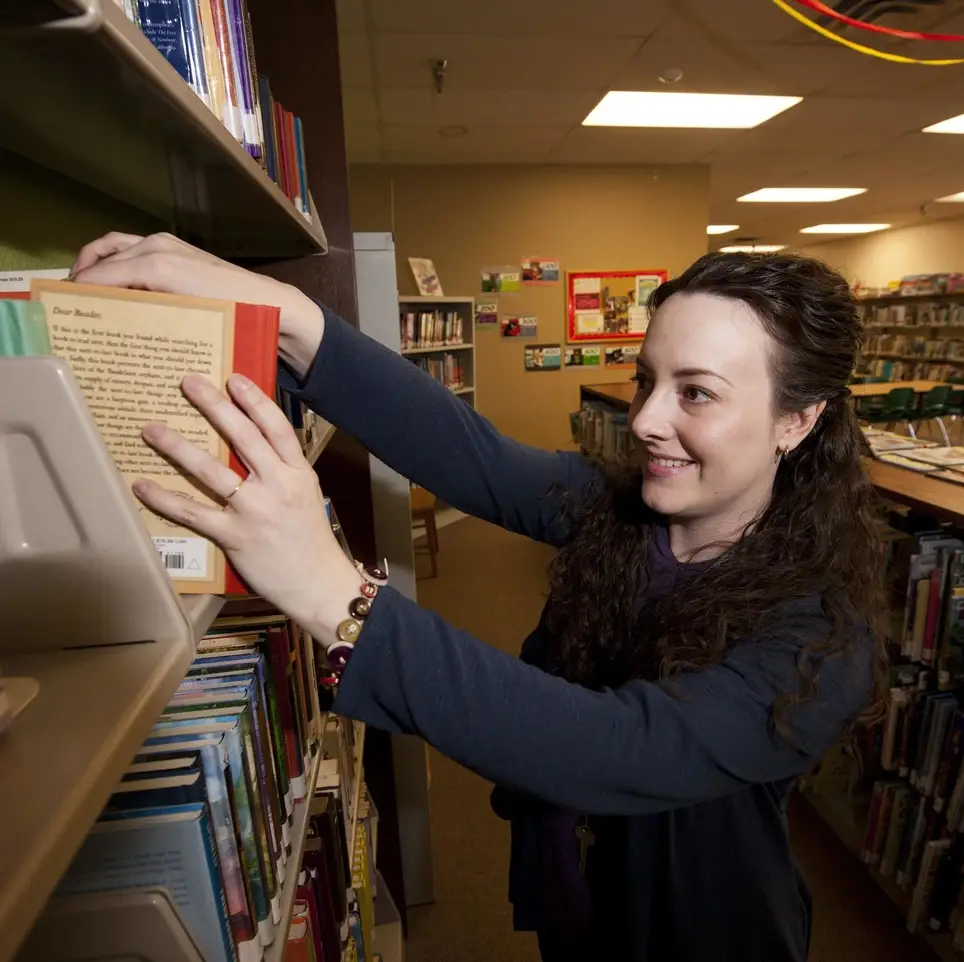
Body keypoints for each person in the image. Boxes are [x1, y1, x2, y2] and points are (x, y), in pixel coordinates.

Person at [71, 233, 886, 962]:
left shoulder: (821, 638)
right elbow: (476, 457)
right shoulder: (621, 513)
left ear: (798, 420)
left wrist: (338, 597)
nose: (644, 420)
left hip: (701, 932)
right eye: (647, 382)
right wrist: (289, 316)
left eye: (696, 392)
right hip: (574, 901)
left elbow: (623, 749)